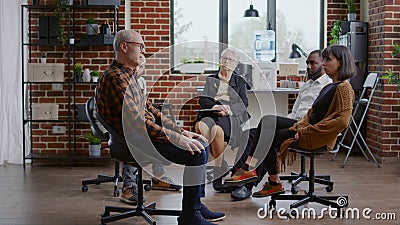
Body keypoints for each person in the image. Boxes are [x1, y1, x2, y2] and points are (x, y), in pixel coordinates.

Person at [95, 30, 225, 225]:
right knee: (196, 153)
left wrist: (181, 132)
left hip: (141, 135)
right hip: (133, 141)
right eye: (140, 46)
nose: (143, 51)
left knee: (200, 143)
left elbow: (152, 111)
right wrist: (176, 138)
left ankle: (194, 206)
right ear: (124, 46)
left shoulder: (128, 76)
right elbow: (137, 124)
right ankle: (190, 216)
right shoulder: (115, 78)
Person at [225, 45, 355, 202]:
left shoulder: (343, 88)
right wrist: (300, 126)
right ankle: (268, 179)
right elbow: (310, 114)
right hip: (305, 128)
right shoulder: (330, 86)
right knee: (266, 126)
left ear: (340, 63)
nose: (324, 63)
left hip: (316, 137)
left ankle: (256, 173)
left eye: (328, 59)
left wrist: (307, 131)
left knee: (268, 128)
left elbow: (342, 121)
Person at [195, 48, 250, 193]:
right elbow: (203, 99)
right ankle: (213, 167)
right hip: (212, 113)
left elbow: (244, 103)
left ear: (236, 63)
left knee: (216, 130)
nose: (225, 61)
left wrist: (229, 110)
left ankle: (217, 171)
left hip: (229, 117)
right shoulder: (211, 78)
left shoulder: (239, 81)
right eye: (223, 58)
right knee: (200, 127)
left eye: (229, 59)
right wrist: (215, 106)